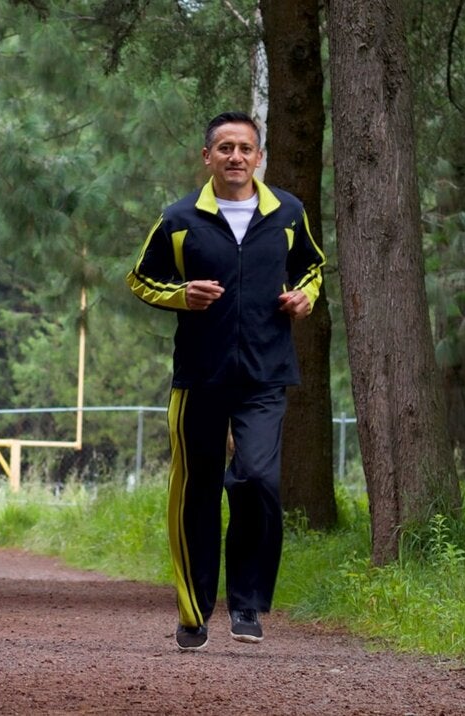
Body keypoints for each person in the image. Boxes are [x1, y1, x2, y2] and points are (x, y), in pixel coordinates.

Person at [126, 112, 325, 652]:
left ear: (259, 157)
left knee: (258, 479)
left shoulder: (287, 212)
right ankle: (194, 612)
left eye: (245, 148)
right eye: (225, 148)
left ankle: (247, 604)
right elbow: (140, 278)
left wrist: (304, 297)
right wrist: (180, 294)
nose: (236, 157)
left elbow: (312, 267)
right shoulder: (179, 218)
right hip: (200, 377)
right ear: (207, 157)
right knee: (197, 492)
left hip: (265, 374)